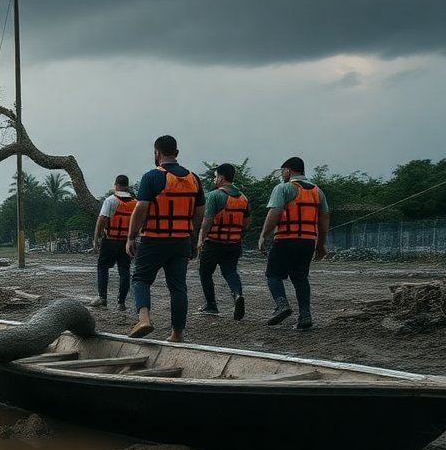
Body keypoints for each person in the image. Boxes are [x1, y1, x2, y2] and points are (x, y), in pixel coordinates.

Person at [126, 135, 205, 343]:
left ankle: (144, 319)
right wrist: (193, 238)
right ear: (176, 153)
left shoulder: (152, 177)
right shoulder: (194, 179)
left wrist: (131, 237)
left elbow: (141, 209)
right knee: (178, 287)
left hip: (154, 239)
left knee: (141, 279)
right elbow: (200, 212)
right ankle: (177, 334)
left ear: (157, 153)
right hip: (181, 240)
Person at [258, 156, 329, 330]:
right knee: (300, 278)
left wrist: (263, 235)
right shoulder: (317, 191)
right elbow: (324, 219)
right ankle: (305, 315)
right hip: (307, 242)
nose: (282, 174)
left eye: (283, 171)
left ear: (288, 170)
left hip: (285, 239)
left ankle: (282, 305)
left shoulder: (283, 188)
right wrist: (321, 244)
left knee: (273, 275)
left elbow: (275, 212)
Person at [196, 163, 248, 320]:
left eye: (215, 176)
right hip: (234, 243)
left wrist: (201, 238)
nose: (214, 179)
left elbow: (207, 220)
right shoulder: (243, 198)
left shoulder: (214, 196)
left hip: (213, 242)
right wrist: (238, 235)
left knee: (205, 272)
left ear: (221, 177)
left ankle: (211, 305)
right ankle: (237, 294)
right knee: (230, 271)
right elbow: (247, 221)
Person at [90, 175, 135, 310]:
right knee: (124, 271)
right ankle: (121, 302)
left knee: (103, 267)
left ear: (116, 185)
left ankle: (102, 297)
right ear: (127, 186)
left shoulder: (110, 200)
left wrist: (96, 239)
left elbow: (101, 219)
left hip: (110, 240)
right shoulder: (135, 202)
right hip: (126, 242)